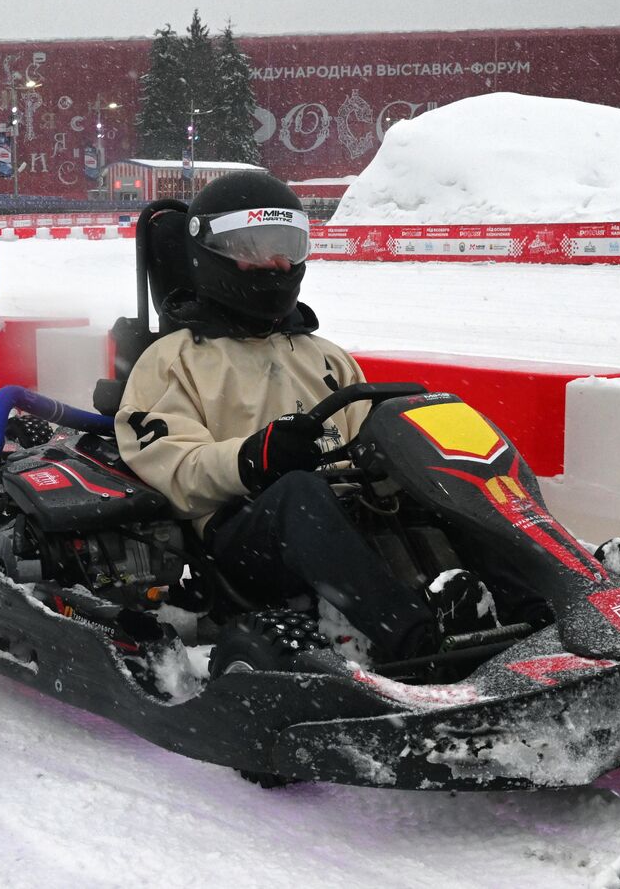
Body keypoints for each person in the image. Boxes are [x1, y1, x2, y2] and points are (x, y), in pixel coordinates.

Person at [115, 172, 499, 662]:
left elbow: (369, 433)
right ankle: (419, 643)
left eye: (286, 247)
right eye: (255, 247)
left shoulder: (327, 356)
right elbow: (174, 471)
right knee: (299, 492)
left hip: (346, 514)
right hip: (241, 539)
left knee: (447, 475)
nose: (277, 263)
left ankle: (544, 602)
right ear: (208, 255)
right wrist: (254, 458)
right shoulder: (173, 360)